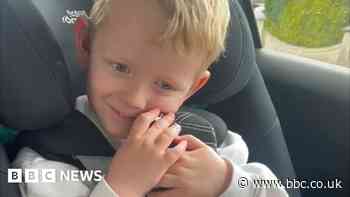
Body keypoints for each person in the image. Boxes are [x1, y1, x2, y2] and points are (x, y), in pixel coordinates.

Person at [13, 0, 289, 196]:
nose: (135, 99)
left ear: (193, 87)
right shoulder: (48, 164)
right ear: (86, 43)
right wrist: (121, 188)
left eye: (165, 85)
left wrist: (225, 182)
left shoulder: (211, 142)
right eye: (120, 67)